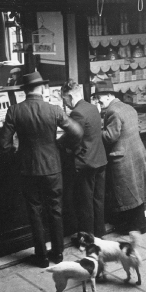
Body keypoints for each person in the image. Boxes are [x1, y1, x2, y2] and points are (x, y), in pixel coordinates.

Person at [0, 72, 83, 267]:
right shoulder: (53, 110)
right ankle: (58, 253)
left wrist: (15, 158)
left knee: (34, 211)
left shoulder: (14, 110)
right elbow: (77, 132)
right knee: (56, 210)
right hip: (52, 167)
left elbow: (3, 144)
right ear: (42, 88)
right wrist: (59, 146)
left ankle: (42, 257)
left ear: (25, 91)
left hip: (28, 169)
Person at [93, 79, 146, 235]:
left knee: (126, 193)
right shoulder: (127, 107)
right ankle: (141, 225)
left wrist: (94, 130)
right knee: (136, 190)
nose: (97, 100)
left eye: (98, 97)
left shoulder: (112, 111)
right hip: (137, 153)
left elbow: (110, 137)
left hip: (122, 157)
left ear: (108, 95)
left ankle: (131, 227)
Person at [59, 79, 108, 237]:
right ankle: (99, 233)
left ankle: (88, 238)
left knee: (85, 202)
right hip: (100, 159)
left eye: (64, 99)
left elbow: (73, 137)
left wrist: (57, 143)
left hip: (86, 162)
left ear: (71, 97)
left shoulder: (77, 112)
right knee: (98, 200)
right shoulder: (92, 107)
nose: (64, 103)